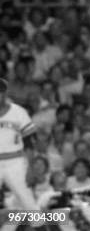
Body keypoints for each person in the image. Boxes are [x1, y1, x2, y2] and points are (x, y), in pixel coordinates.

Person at [0, 78, 44, 223]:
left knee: (28, 201)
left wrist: (30, 167)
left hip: (15, 162)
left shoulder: (18, 112)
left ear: (5, 93)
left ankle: (40, 226)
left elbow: (29, 143)